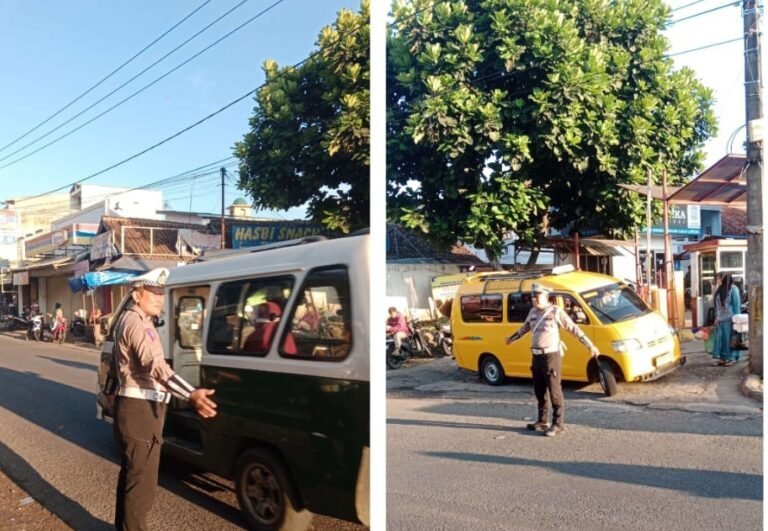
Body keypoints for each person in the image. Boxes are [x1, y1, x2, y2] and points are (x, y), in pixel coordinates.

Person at [102, 268, 217, 530]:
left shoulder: (131, 320)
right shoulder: (138, 323)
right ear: (137, 294)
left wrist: (111, 393)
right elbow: (156, 366)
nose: (159, 297)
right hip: (140, 410)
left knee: (132, 478)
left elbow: (115, 366)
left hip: (135, 409)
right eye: (153, 292)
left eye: (161, 292)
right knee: (141, 485)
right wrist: (190, 394)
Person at [505, 283, 600, 437]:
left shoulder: (556, 312)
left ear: (546, 297)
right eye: (532, 297)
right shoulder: (532, 312)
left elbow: (574, 329)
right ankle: (542, 420)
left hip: (551, 356)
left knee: (554, 390)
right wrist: (512, 338)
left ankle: (558, 423)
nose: (534, 300)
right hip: (536, 356)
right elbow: (525, 328)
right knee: (539, 390)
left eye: (537, 296)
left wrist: (590, 345)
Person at [711, 272, 740, 367]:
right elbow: (717, 306)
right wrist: (716, 317)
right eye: (717, 278)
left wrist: (737, 320)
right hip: (720, 319)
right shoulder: (719, 290)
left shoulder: (733, 289)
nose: (717, 280)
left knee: (730, 339)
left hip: (730, 319)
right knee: (721, 340)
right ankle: (722, 358)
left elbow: (736, 305)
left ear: (724, 279)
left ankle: (732, 358)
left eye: (719, 278)